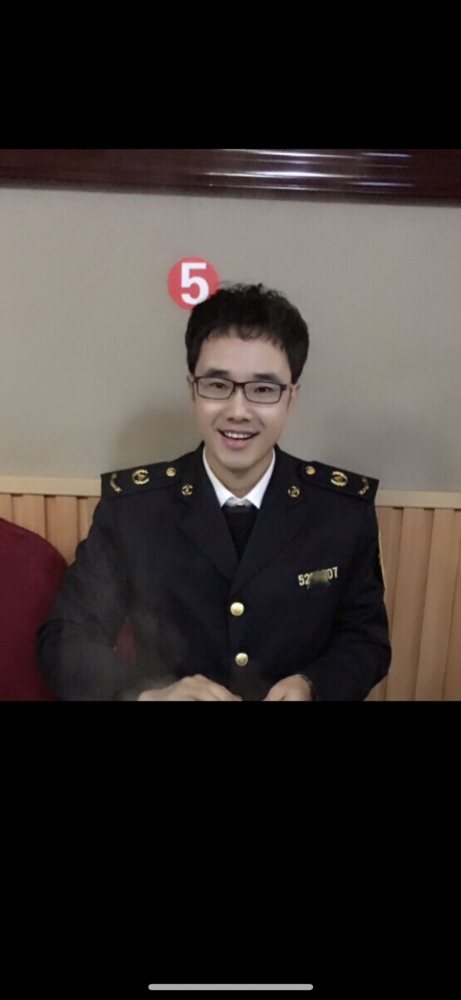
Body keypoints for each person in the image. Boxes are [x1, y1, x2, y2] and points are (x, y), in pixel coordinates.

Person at [37, 284, 391, 701]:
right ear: (192, 389)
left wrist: (312, 685)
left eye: (263, 389)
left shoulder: (340, 512)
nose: (238, 411)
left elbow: (365, 639)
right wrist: (147, 696)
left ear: (291, 397)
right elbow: (65, 638)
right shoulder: (133, 510)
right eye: (218, 385)